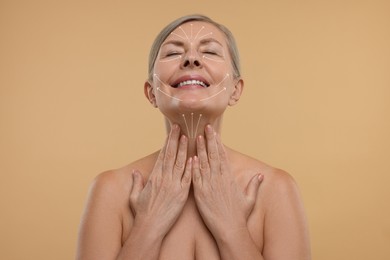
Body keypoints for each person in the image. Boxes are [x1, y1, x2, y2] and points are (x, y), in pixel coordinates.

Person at [76, 14, 311, 260]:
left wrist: (233, 230)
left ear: (235, 89)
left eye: (210, 52)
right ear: (151, 93)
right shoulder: (111, 191)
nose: (191, 58)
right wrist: (148, 225)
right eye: (172, 53)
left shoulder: (275, 190)